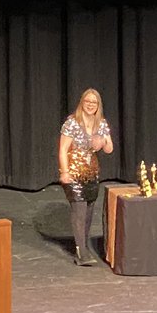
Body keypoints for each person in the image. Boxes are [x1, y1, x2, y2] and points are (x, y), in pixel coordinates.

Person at [57, 87, 114, 265]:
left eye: (94, 103)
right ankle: (81, 253)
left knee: (89, 212)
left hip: (91, 173)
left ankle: (83, 247)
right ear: (82, 102)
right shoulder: (72, 123)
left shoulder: (101, 124)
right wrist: (64, 172)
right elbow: (63, 149)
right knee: (79, 211)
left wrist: (103, 140)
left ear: (98, 106)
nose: (90, 105)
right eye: (87, 102)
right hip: (74, 172)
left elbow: (109, 149)